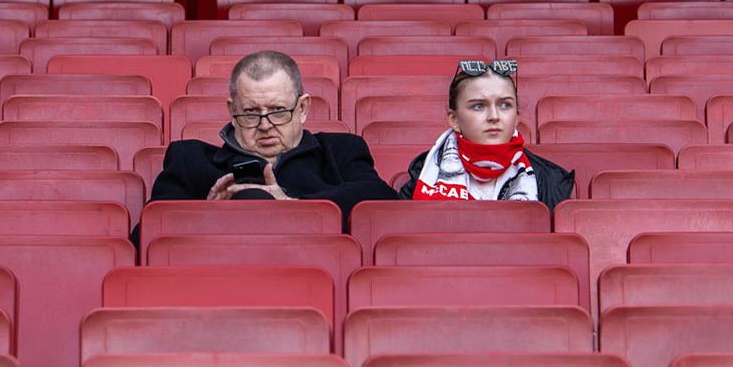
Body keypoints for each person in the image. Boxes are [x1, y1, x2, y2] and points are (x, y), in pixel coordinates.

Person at [147, 49, 399, 222]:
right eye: (251, 112)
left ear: (302, 108)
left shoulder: (341, 151)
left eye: (278, 111)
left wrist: (293, 205)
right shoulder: (190, 159)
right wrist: (207, 214)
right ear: (232, 111)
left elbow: (381, 202)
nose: (265, 125)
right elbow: (147, 234)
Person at [401, 59, 575, 207]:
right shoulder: (424, 173)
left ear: (516, 117)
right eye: (479, 106)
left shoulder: (547, 180)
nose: (494, 116)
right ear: (454, 119)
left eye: (505, 105)